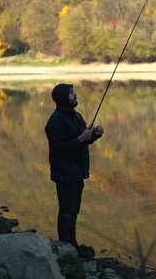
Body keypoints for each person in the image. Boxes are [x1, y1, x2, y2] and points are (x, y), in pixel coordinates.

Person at [45, 83, 104, 249]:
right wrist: (81, 139)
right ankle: (66, 245)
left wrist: (94, 135)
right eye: (72, 94)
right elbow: (59, 149)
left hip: (77, 172)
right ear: (63, 98)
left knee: (73, 211)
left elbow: (83, 140)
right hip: (65, 174)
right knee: (66, 211)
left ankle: (72, 243)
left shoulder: (76, 117)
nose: (75, 95)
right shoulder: (55, 121)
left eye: (74, 93)